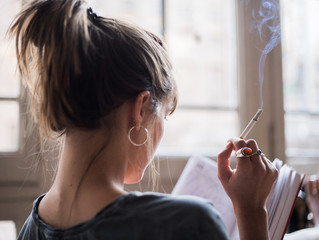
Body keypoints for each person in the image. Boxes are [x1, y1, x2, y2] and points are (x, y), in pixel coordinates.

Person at [10, 0, 278, 239]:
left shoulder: (29, 230)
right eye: (163, 115)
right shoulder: (186, 224)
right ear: (140, 108)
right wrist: (251, 210)